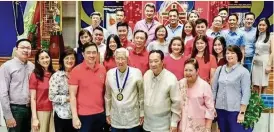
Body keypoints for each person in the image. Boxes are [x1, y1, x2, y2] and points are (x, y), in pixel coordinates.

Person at [212, 45, 252, 132]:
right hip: (220, 109)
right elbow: (214, 89)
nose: (229, 55)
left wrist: (242, 113)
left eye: (232, 53)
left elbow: (246, 93)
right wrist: (212, 107)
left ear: (238, 55)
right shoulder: (219, 69)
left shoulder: (243, 72)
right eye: (227, 53)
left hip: (235, 111)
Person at [69, 43, 107, 132]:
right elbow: (72, 96)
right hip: (83, 115)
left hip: (100, 114)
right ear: (83, 54)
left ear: (97, 54)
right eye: (88, 52)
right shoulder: (76, 71)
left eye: (94, 52)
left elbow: (104, 92)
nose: (91, 55)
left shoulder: (102, 69)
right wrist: (74, 117)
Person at [105, 48, 144, 132]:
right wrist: (108, 112)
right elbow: (108, 96)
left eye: (123, 58)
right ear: (115, 59)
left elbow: (141, 95)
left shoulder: (136, 73)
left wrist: (142, 113)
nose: (120, 61)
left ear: (127, 59)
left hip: (132, 117)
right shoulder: (109, 73)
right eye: (118, 58)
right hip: (116, 116)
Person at [0, 39, 34, 132]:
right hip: (14, 109)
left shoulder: (32, 66)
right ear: (16, 49)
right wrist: (8, 116)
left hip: (29, 108)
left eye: (28, 48)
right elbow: (3, 93)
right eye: (22, 47)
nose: (25, 50)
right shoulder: (6, 66)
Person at [143, 50, 181, 132]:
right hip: (147, 124)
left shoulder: (171, 78)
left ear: (162, 61)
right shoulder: (146, 74)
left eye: (156, 61)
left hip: (163, 126)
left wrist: (174, 123)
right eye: (150, 61)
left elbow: (177, 103)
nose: (153, 64)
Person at [179, 58, 214, 132]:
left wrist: (208, 128)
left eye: (191, 70)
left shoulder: (204, 86)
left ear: (197, 71)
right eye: (186, 70)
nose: (188, 73)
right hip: (182, 126)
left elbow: (210, 109)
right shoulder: (180, 84)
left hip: (198, 127)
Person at [49, 48, 78, 132]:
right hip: (62, 114)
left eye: (72, 58)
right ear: (62, 60)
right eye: (67, 58)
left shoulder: (78, 74)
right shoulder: (56, 76)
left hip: (77, 114)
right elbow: (51, 97)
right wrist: (68, 98)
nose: (70, 60)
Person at [29, 49, 55, 132]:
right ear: (38, 61)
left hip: (54, 111)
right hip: (41, 112)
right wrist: (35, 118)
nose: (45, 60)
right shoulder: (35, 75)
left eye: (47, 57)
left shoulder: (55, 74)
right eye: (42, 58)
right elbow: (33, 98)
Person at [252, 18, 273, 94]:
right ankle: (255, 104)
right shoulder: (258, 36)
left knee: (264, 84)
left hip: (265, 61)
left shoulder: (271, 36)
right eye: (260, 25)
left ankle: (263, 105)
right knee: (255, 83)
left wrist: (269, 65)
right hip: (255, 61)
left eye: (263, 25)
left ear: (267, 26)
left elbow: (272, 52)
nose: (261, 27)